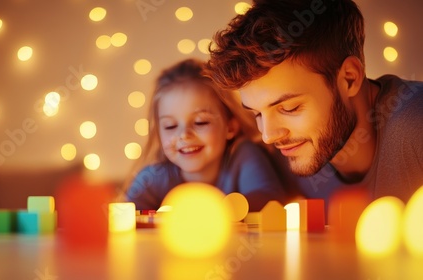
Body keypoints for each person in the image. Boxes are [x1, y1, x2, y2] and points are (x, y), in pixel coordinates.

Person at [206, 0, 423, 203]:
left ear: (350, 78)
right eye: (257, 114)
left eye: (289, 108)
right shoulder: (288, 155)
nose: (269, 136)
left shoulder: (416, 126)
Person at [124, 58, 288, 212]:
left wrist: (211, 210)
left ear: (230, 127)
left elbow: (271, 201)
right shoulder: (152, 179)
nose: (184, 135)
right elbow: (124, 216)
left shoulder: (243, 155)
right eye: (170, 126)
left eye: (200, 122)